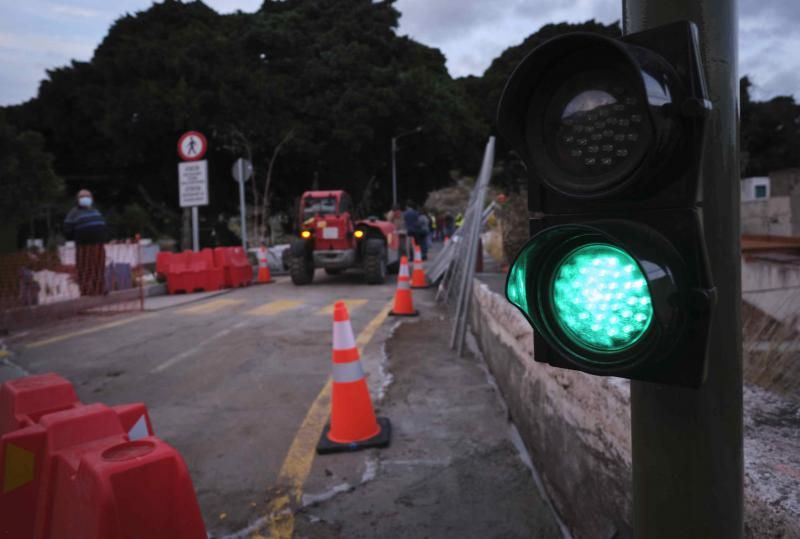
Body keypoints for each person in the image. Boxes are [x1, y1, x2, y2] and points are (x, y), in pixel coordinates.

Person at [64, 189, 108, 296]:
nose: (85, 198)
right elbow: (67, 228)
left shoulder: (95, 211)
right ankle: (87, 291)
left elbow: (103, 224)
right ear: (78, 199)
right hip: (84, 245)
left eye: (87, 196)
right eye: (82, 196)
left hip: (98, 244)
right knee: (85, 268)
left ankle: (99, 289)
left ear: (91, 198)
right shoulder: (74, 212)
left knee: (99, 267)